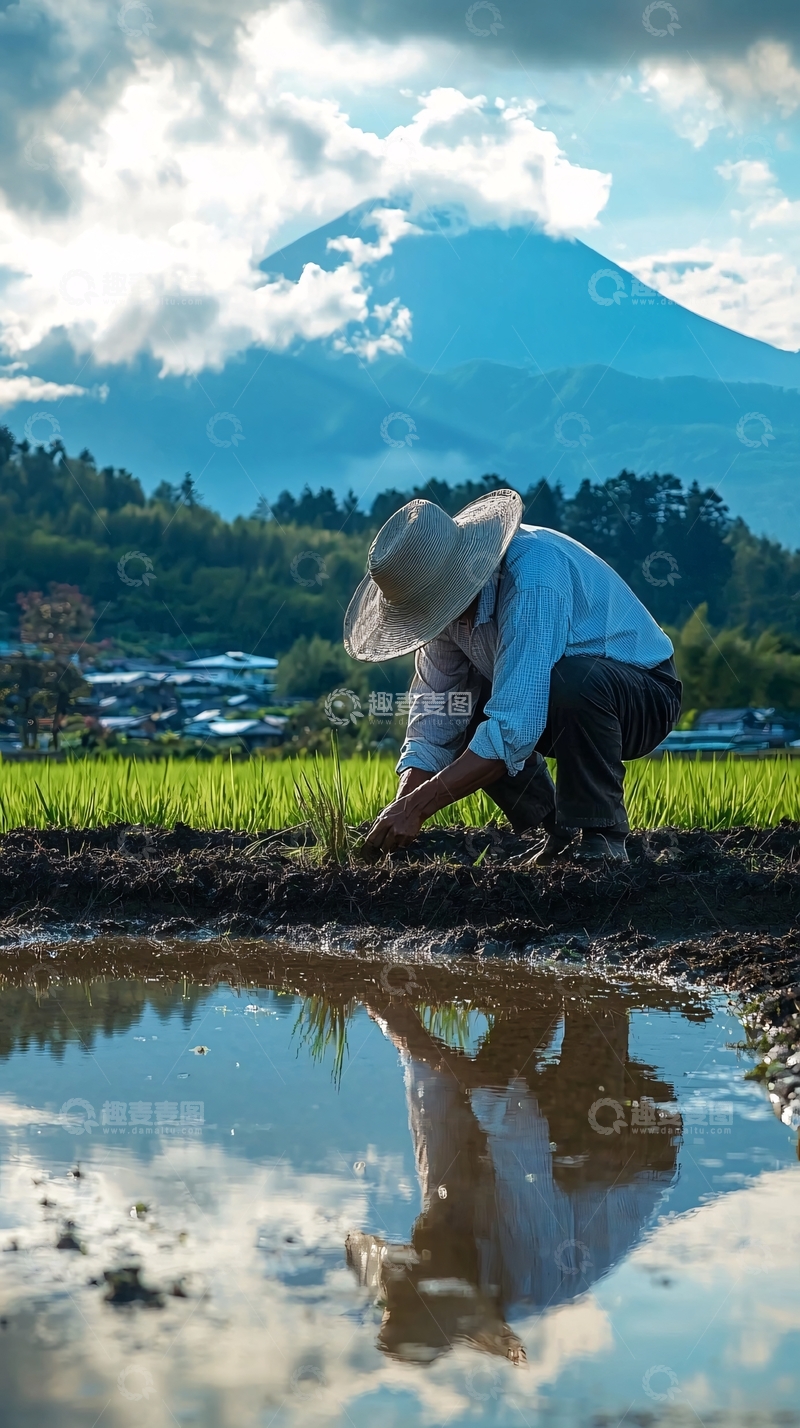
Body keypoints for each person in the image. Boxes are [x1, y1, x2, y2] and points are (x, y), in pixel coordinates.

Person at [343, 490, 681, 863]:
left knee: (575, 681)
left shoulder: (533, 577)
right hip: (554, 704)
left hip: (640, 696)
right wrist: (401, 806)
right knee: (463, 706)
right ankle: (558, 830)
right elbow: (435, 717)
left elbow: (513, 728)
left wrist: (419, 808)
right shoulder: (441, 619)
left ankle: (603, 835)